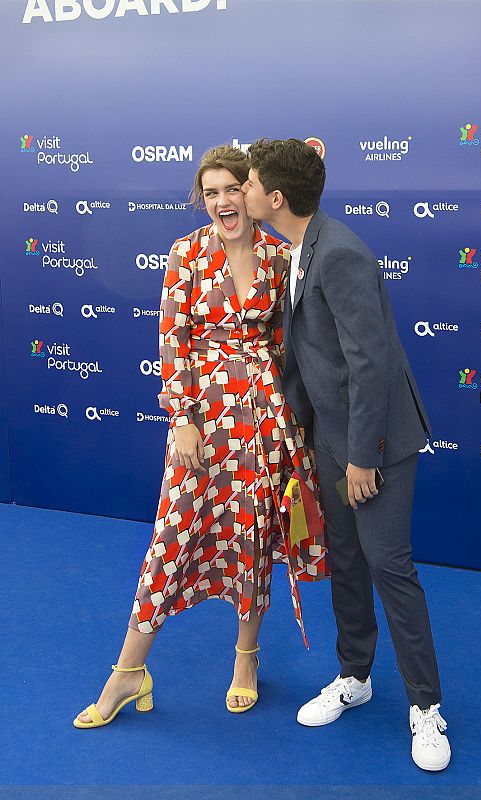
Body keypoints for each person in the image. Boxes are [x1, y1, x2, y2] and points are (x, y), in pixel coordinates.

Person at [73, 144, 327, 728]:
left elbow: (297, 344)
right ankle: (128, 671)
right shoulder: (186, 253)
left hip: (264, 421)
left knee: (254, 536)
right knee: (172, 536)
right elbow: (172, 339)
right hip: (203, 424)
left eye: (230, 189)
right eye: (209, 193)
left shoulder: (282, 256)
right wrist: (181, 416)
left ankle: (246, 656)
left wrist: (297, 424)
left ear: (252, 191)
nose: (220, 202)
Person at [242, 138, 451, 771]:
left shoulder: (339, 254)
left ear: (275, 199)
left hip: (373, 443)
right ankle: (354, 676)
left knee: (390, 567)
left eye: (248, 183)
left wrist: (365, 457)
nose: (242, 193)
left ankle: (426, 710)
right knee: (346, 560)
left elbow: (372, 362)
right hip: (331, 439)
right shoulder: (300, 247)